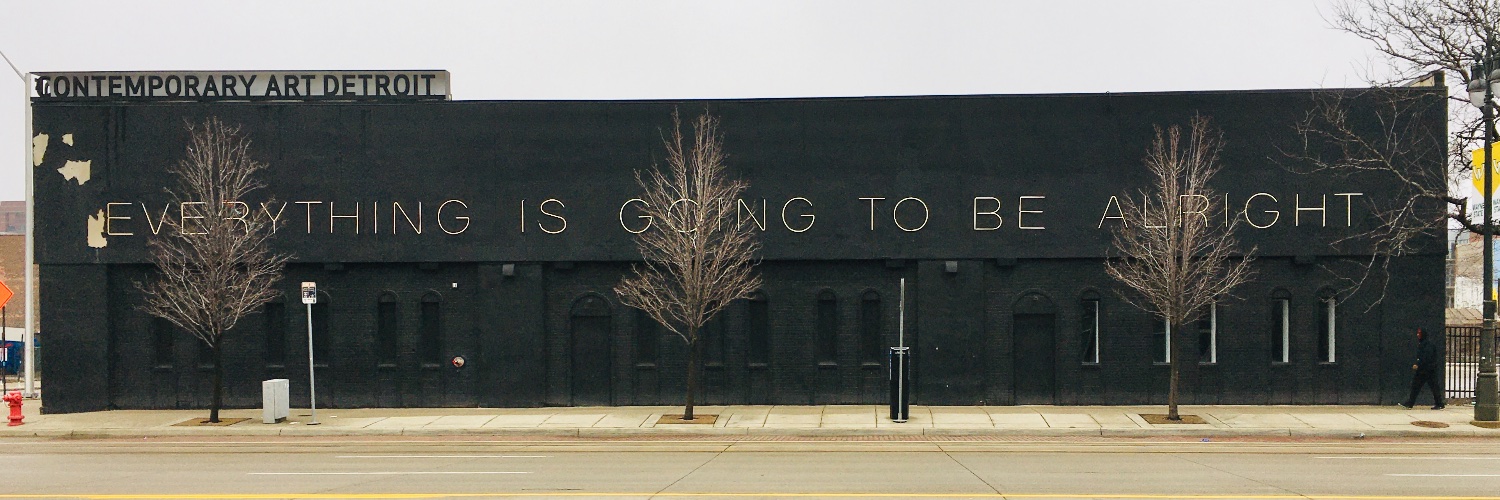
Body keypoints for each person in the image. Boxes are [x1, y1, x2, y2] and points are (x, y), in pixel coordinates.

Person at [1401, 327, 1445, 410]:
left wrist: (1418, 364)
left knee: (1419, 386)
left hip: (1426, 370)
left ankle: (1410, 403)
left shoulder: (1427, 345)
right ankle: (1439, 403)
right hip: (1427, 369)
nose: (1417, 335)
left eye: (1419, 333)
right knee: (1429, 386)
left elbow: (1426, 357)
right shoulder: (1424, 344)